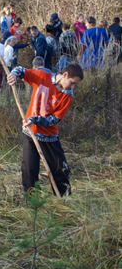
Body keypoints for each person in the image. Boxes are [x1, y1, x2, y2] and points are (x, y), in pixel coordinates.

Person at [7, 62, 84, 196]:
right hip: (30, 133)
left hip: (49, 136)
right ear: (64, 75)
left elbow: (54, 119)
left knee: (59, 169)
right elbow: (20, 70)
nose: (73, 87)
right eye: (72, 82)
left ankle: (64, 199)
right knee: (29, 169)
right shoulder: (43, 76)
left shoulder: (67, 95)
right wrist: (13, 75)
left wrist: (35, 119)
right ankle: (33, 201)